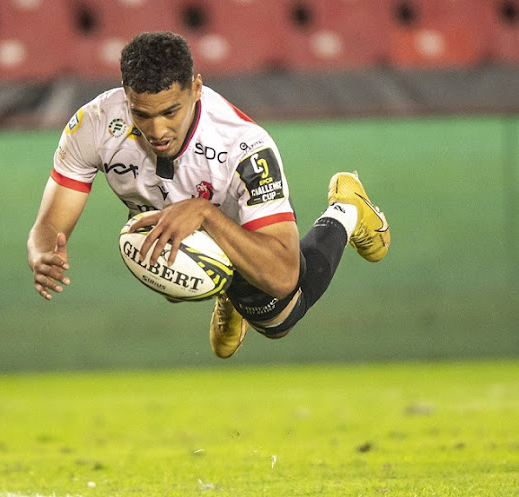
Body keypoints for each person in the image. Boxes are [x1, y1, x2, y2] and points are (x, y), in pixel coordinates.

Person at [27, 31, 390, 359]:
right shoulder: (95, 125)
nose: (157, 129)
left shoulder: (245, 147)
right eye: (142, 114)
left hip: (239, 224)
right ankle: (226, 287)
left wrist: (205, 214)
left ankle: (346, 210)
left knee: (279, 320)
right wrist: (42, 252)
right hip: (169, 220)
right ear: (126, 96)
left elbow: (282, 274)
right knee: (171, 277)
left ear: (196, 89)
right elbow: (49, 224)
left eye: (171, 111)